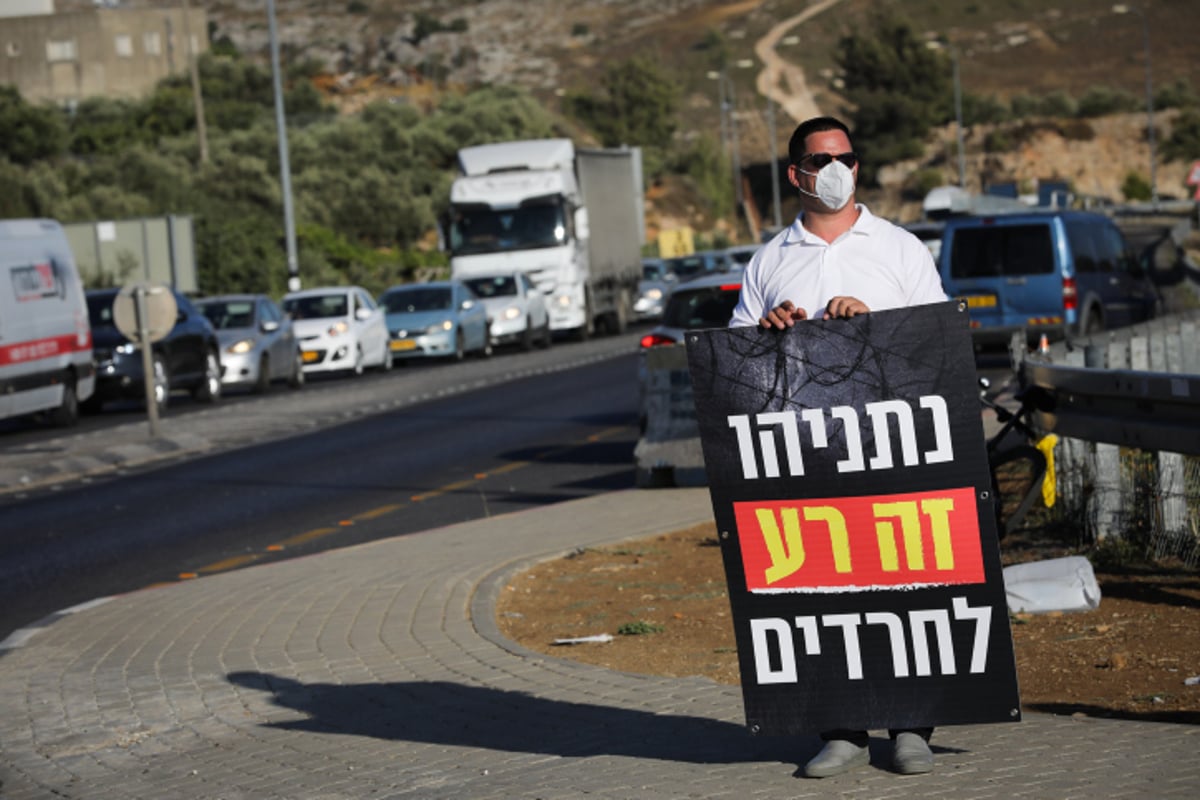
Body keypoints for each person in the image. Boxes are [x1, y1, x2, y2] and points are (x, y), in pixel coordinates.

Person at [728, 116, 949, 778]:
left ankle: (912, 727)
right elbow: (735, 365)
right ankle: (841, 728)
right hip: (810, 461)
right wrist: (768, 329)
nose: (836, 170)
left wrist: (877, 326)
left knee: (903, 584)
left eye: (846, 157)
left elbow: (936, 343)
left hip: (891, 451)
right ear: (797, 172)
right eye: (822, 159)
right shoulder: (769, 260)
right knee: (824, 589)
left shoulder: (901, 248)